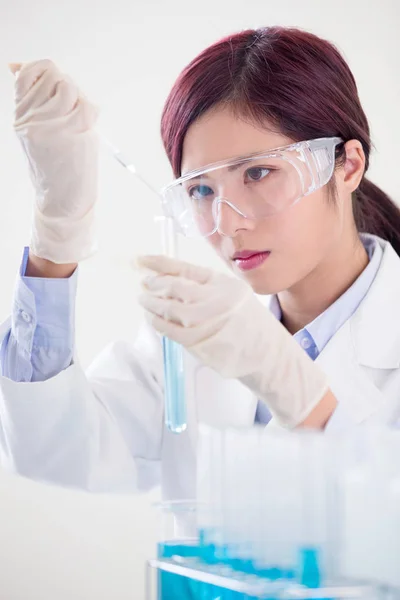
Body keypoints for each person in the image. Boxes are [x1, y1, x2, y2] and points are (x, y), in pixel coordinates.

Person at [0, 26, 400, 497]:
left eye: (258, 172)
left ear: (348, 166)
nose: (228, 225)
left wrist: (304, 397)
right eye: (202, 191)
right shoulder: (197, 339)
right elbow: (55, 450)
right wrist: (56, 233)